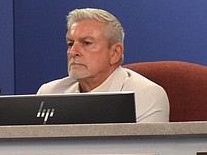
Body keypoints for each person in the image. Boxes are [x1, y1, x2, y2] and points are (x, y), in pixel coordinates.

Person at [37, 8, 169, 123]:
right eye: (70, 44)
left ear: (115, 53)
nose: (73, 52)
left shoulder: (145, 95)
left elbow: (142, 151)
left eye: (87, 43)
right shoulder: (50, 94)